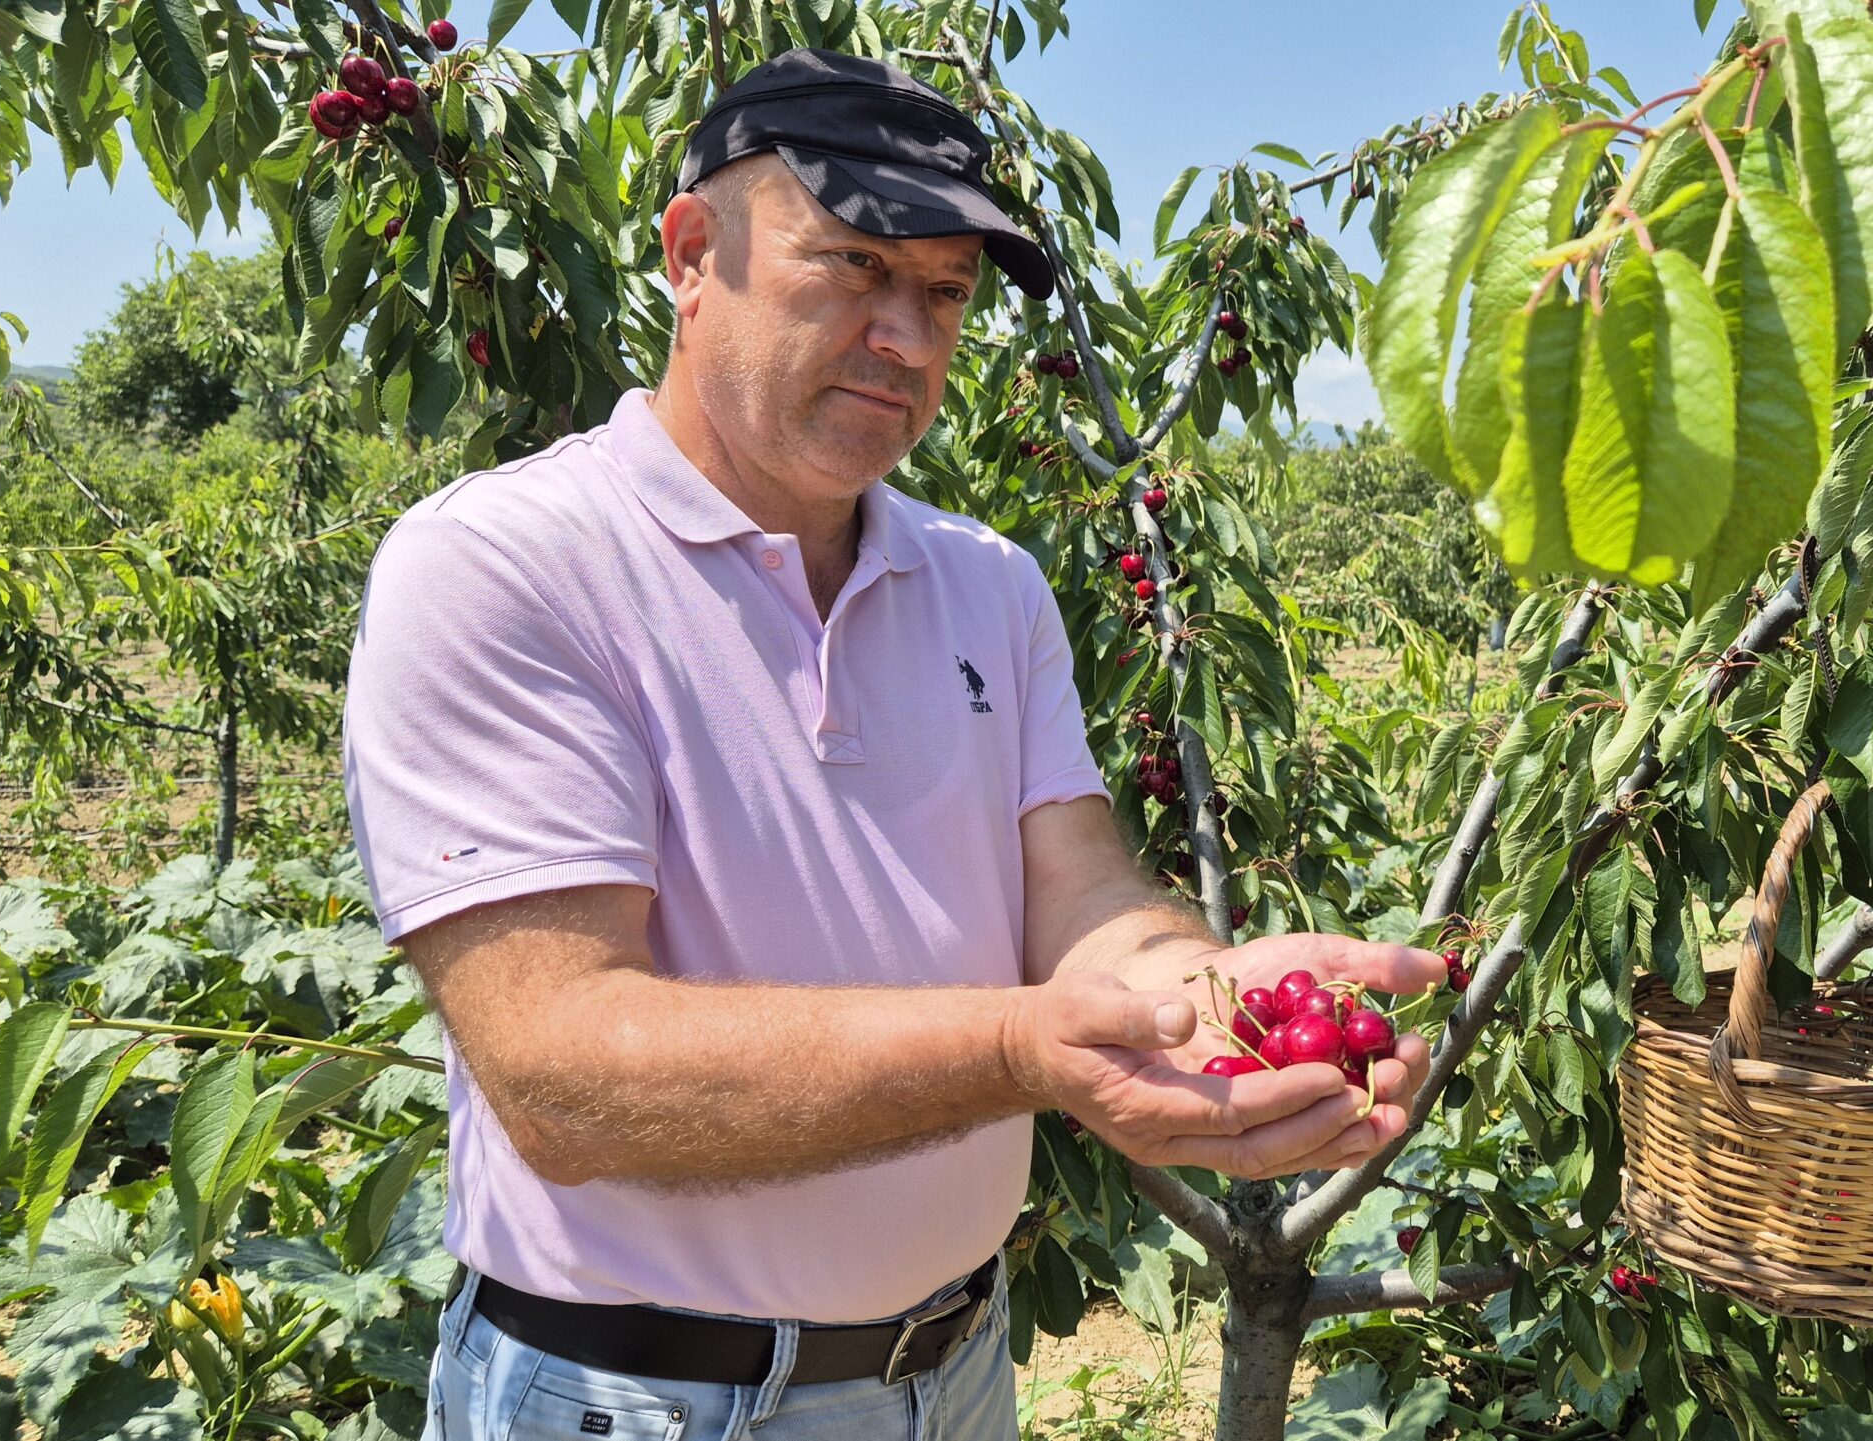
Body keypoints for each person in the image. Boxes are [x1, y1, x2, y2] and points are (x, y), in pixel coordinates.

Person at [341, 44, 1442, 1441]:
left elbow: (1082, 895)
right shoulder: (509, 566)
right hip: (637, 1400)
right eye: (854, 264)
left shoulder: (990, 583)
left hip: (958, 1371)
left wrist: (1201, 996)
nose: (910, 339)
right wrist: (1023, 1049)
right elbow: (566, 1073)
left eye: (945, 292)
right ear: (692, 254)